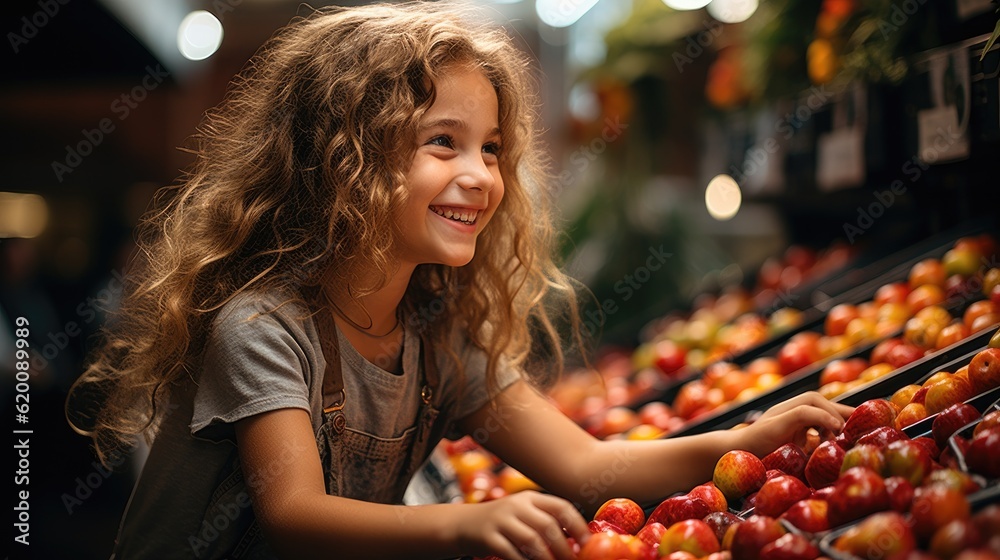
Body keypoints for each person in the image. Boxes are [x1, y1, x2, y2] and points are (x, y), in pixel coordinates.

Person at [68, 3, 853, 559]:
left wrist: (741, 442)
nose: (480, 175)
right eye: (443, 143)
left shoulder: (437, 331)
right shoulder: (264, 325)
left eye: (492, 149)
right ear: (344, 160)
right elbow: (296, 516)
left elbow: (584, 469)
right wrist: (463, 527)